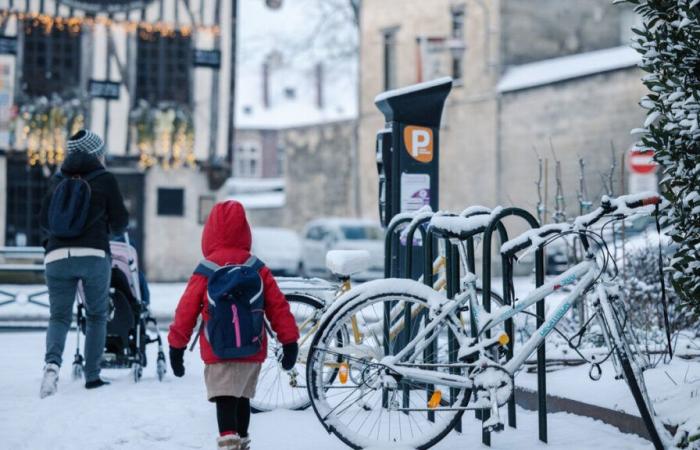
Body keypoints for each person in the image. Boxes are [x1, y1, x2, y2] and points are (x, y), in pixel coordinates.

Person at [168, 201, 299, 450]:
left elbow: (185, 311)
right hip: (252, 348)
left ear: (209, 233)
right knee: (242, 399)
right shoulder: (256, 267)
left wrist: (177, 347)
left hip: (218, 350)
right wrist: (289, 341)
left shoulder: (206, 269)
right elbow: (278, 307)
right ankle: (243, 442)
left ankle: (229, 444)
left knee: (225, 399)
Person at [38, 129, 129, 398]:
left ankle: (52, 368)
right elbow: (121, 221)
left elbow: (43, 220)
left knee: (59, 316)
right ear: (95, 153)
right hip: (93, 254)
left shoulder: (57, 179)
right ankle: (92, 376)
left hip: (56, 257)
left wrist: (52, 245)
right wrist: (104, 231)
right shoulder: (105, 179)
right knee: (96, 315)